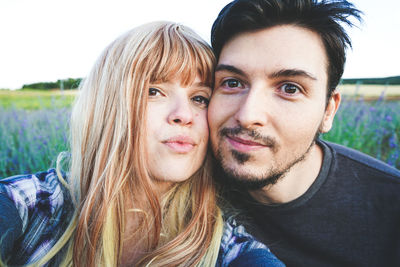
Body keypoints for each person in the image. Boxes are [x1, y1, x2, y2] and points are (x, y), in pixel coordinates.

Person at [0, 21, 284, 266]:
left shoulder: (226, 248)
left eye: (200, 98)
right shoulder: (31, 205)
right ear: (107, 105)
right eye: (154, 91)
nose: (184, 115)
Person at [208, 0, 400, 266]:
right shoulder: (185, 181)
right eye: (232, 83)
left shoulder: (391, 216)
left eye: (289, 89)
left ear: (328, 111)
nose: (248, 115)